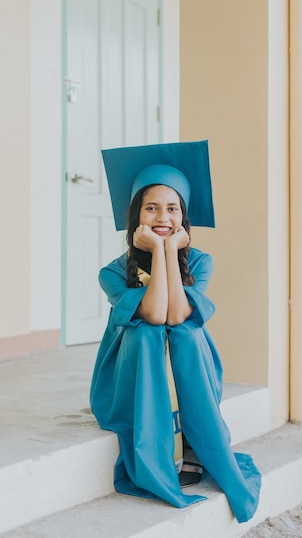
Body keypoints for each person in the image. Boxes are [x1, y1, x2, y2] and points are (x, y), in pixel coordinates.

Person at [90, 140, 261, 523]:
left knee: (184, 332)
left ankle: (197, 444)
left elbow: (178, 314)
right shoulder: (113, 273)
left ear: (184, 217)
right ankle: (158, 449)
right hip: (127, 378)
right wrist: (162, 249)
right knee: (147, 333)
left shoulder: (201, 261)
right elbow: (153, 315)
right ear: (136, 216)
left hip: (187, 362)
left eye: (172, 208)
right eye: (151, 208)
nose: (162, 216)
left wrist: (167, 252)